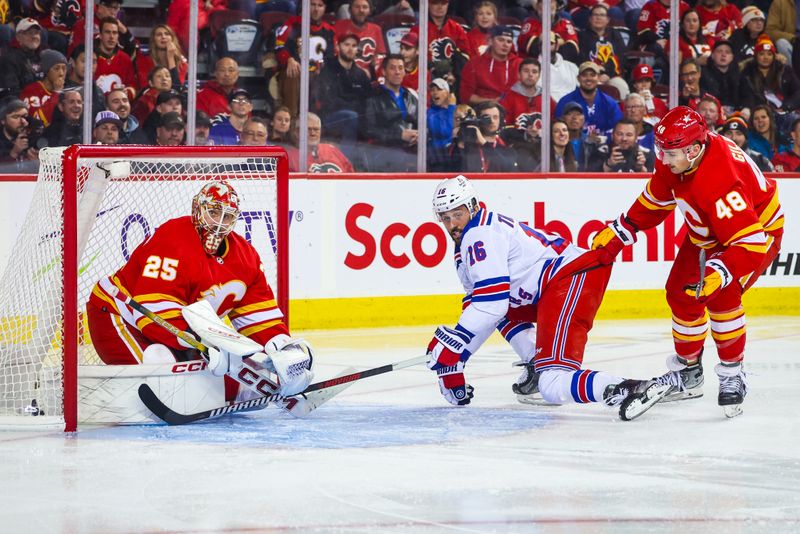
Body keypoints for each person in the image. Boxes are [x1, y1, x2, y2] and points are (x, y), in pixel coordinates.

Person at [426, 175, 673, 420]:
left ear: (473, 206)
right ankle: (536, 360)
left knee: (552, 384)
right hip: (552, 288)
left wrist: (455, 345)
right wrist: (456, 360)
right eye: (445, 218)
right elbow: (481, 306)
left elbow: (491, 302)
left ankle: (631, 387)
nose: (452, 225)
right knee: (496, 310)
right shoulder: (466, 245)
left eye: (457, 214)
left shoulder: (480, 234)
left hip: (571, 278)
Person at [591, 106, 784, 418]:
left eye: (670, 154)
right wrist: (622, 230)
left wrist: (720, 271)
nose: (663, 160)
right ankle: (688, 372)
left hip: (753, 236)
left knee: (722, 296)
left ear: (694, 150)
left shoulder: (720, 179)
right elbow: (657, 197)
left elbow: (749, 243)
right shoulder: (680, 154)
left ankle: (733, 373)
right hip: (708, 234)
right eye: (661, 150)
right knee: (681, 293)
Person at [86, 181, 313, 400]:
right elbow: (153, 311)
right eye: (213, 213)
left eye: (228, 217)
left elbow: (259, 319)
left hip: (178, 332)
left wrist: (282, 347)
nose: (219, 223)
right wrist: (206, 344)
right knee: (160, 365)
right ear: (197, 208)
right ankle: (112, 395)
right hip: (117, 315)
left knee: (241, 376)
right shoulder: (172, 238)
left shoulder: (246, 258)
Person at [273, 0, 336, 117]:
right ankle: (290, 120)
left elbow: (332, 56)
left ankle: (316, 123)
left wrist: (322, 65)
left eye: (320, 5)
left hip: (318, 73)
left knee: (327, 78)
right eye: (312, 4)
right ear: (305, 6)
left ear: (325, 8)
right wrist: (288, 59)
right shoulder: (292, 23)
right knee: (293, 74)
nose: (316, 9)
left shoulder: (329, 30)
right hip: (295, 71)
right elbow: (279, 45)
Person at [314, 33, 371, 149]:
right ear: (338, 46)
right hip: (330, 117)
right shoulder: (328, 69)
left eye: (354, 46)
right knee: (351, 116)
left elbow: (367, 100)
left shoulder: (361, 74)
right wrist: (354, 107)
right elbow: (329, 101)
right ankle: (345, 161)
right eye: (346, 45)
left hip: (356, 116)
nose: (350, 49)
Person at [363, 54, 418, 172]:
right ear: (384, 71)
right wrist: (399, 135)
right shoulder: (374, 97)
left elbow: (424, 125)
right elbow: (369, 130)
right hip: (385, 151)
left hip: (413, 149)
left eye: (400, 68)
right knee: (399, 158)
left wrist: (419, 136)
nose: (397, 72)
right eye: (392, 68)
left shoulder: (411, 97)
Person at [577, 3, 629, 99]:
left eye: (602, 15)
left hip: (612, 75)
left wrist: (607, 73)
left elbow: (621, 56)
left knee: (621, 86)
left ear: (608, 20)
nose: (598, 18)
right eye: (595, 15)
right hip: (588, 76)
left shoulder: (614, 34)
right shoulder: (582, 36)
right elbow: (581, 57)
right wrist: (594, 72)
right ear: (590, 18)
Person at [555, 62, 622, 135]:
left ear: (598, 78)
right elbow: (557, 129)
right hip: (573, 145)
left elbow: (618, 130)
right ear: (578, 78)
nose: (589, 79)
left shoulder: (610, 104)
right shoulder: (565, 102)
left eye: (592, 75)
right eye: (584, 75)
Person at [460, 25, 521, 105]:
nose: (505, 45)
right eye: (501, 40)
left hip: (512, 108)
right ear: (490, 41)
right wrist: (491, 102)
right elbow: (466, 96)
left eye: (509, 42)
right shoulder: (474, 63)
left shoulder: (519, 64)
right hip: (482, 108)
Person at [739, 37, 800, 113]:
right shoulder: (747, 73)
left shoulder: (784, 70)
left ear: (774, 56)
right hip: (759, 113)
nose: (766, 57)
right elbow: (746, 97)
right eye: (761, 54)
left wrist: (788, 106)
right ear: (756, 56)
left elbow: (797, 91)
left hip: (786, 110)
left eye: (769, 54)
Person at [453, 101, 517, 172]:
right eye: (486, 118)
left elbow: (508, 168)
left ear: (501, 120)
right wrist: (458, 142)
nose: (492, 121)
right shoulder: (468, 144)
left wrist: (483, 143)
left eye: (495, 117)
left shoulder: (506, 145)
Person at [333, 0, 387, 79]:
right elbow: (334, 54)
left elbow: (380, 56)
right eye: (357, 7)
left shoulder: (376, 29)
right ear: (350, 10)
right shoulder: (338, 26)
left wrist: (375, 68)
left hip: (366, 77)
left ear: (370, 11)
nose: (361, 10)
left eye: (365, 7)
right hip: (341, 74)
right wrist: (356, 70)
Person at [288, 112, 354, 172]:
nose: (313, 133)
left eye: (316, 129)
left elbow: (352, 176)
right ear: (297, 132)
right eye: (308, 129)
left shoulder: (332, 150)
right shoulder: (288, 158)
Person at [586, 118, 654, 172]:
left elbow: (656, 183)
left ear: (636, 137)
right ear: (612, 135)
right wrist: (608, 164)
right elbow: (588, 181)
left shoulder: (646, 154)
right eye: (619, 134)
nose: (624, 139)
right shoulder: (600, 152)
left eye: (629, 135)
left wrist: (641, 168)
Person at [20, 49, 67, 127]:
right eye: (56, 68)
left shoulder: (68, 92)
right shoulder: (31, 90)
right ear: (46, 71)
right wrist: (56, 92)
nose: (61, 73)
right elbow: (39, 121)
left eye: (64, 68)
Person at [135, 24, 188, 92]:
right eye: (159, 34)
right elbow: (146, 86)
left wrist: (170, 58)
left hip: (172, 100)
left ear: (172, 38)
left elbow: (176, 88)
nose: (163, 37)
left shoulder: (182, 63)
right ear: (154, 40)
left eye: (167, 34)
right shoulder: (144, 60)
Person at [94, 17, 137, 99]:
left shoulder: (125, 59)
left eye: (115, 33)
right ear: (100, 35)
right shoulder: (90, 58)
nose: (111, 36)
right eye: (107, 32)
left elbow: (133, 87)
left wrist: (127, 93)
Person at [0, 18, 44, 97]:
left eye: (37, 33)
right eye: (29, 33)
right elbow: (12, 94)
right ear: (18, 37)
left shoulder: (42, 56)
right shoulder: (9, 60)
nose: (34, 36)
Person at [700, 40, 740, 111]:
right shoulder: (703, 74)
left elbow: (746, 96)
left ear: (732, 57)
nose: (723, 55)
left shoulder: (738, 75)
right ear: (712, 55)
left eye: (727, 52)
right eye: (719, 51)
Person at [66, 45, 105, 117]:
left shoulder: (98, 93)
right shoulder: (63, 90)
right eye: (84, 61)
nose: (89, 66)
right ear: (72, 62)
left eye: (93, 62)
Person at [427, 78, 456, 172]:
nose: (435, 93)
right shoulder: (429, 113)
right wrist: (451, 108)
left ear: (447, 93)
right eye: (432, 90)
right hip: (437, 158)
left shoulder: (457, 110)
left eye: (439, 89)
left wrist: (451, 108)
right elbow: (445, 131)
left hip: (454, 156)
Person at [0, 99, 38, 163]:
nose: (23, 121)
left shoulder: (35, 138)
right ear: (3, 120)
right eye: (16, 117)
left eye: (25, 116)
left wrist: (38, 163)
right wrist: (13, 153)